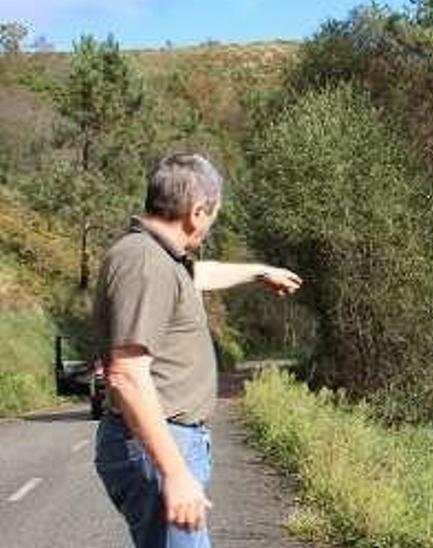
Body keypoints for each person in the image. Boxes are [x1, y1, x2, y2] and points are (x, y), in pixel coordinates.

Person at [93, 153, 301, 547]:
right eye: (212, 215)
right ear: (197, 211)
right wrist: (173, 471)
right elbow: (127, 374)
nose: (210, 225)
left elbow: (199, 275)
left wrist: (258, 271)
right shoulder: (144, 262)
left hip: (166, 442)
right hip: (159, 445)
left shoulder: (158, 260)